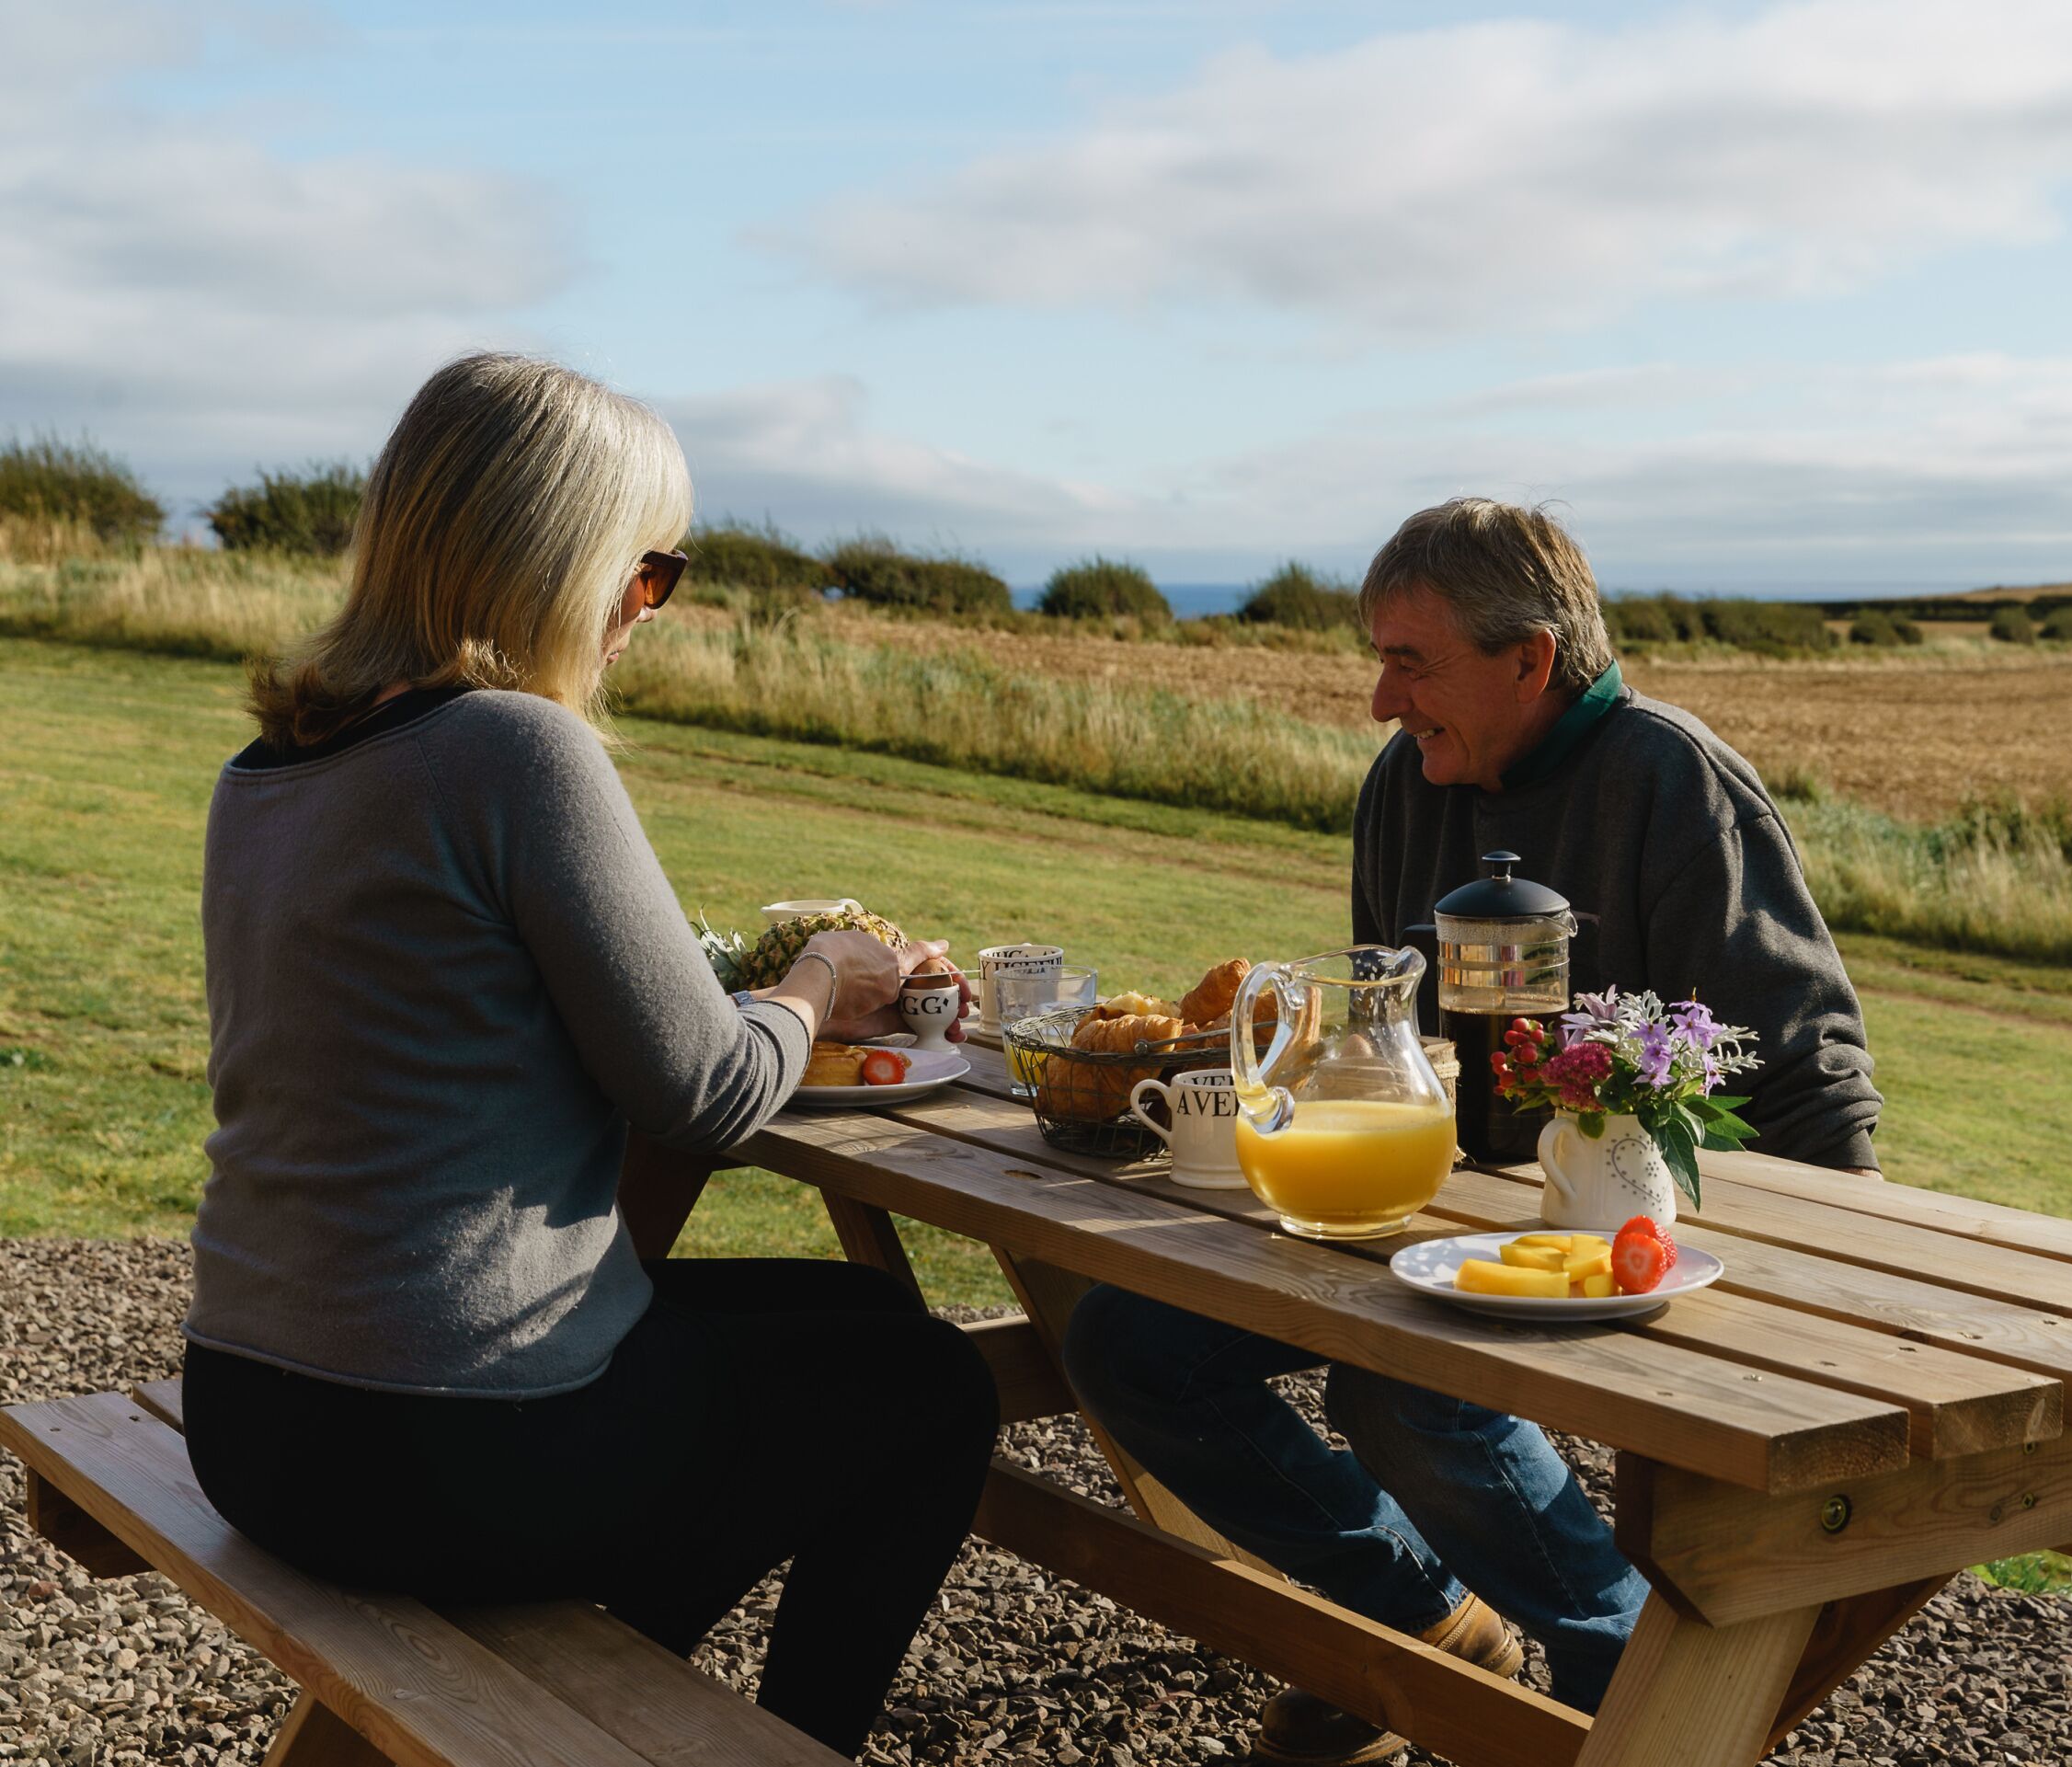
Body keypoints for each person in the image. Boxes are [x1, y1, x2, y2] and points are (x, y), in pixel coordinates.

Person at [180, 352, 998, 1757]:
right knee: (935, 1393)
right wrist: (823, 975)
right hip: (432, 1443)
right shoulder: (512, 748)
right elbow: (707, 1093)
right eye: (647, 570)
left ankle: (609, 1697)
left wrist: (789, 1000)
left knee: (864, 1323)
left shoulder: (264, 771)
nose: (644, 612)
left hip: (253, 1414)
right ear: (561, 560)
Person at [1063, 498, 1882, 1765]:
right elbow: (1375, 1023)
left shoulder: (1673, 781)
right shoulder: (1409, 780)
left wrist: (1843, 1303)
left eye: (1411, 662)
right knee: (1129, 1343)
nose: (1381, 701)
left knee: (1404, 1387)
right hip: (1425, 1209)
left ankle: (1633, 1688)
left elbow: (1806, 1060)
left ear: (1528, 660)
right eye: (1379, 660)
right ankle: (1419, 1629)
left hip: (1613, 1229)